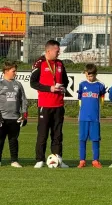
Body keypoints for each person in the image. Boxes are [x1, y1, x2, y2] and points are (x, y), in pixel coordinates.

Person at [30, 39, 69, 168]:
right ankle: (39, 160)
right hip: (45, 105)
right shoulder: (39, 63)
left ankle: (58, 159)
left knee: (57, 134)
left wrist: (63, 87)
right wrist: (50, 88)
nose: (58, 53)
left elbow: (66, 81)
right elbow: (33, 83)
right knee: (43, 133)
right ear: (49, 50)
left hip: (58, 105)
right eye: (57, 51)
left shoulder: (60, 63)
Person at [77, 63, 106, 168]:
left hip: (95, 118)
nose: (90, 77)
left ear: (95, 74)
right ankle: (82, 160)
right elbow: (80, 99)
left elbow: (102, 99)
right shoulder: (82, 84)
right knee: (82, 139)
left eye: (92, 75)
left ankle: (95, 160)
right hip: (83, 117)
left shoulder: (100, 85)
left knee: (95, 139)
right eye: (88, 75)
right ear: (85, 74)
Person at [0, 61, 28, 168]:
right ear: (6, 71)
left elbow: (23, 100)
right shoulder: (1, 84)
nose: (15, 73)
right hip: (2, 118)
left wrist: (24, 114)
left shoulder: (18, 84)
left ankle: (14, 160)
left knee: (13, 140)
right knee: (0, 140)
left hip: (15, 118)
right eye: (13, 71)